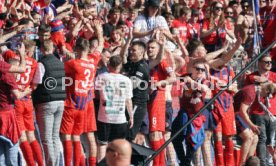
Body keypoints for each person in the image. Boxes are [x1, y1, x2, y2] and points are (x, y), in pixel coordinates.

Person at [32, 39, 66, 166]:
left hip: (46, 102)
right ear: (52, 48)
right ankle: (56, 163)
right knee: (55, 137)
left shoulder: (41, 63)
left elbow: (36, 84)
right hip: (60, 102)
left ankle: (51, 164)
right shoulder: (60, 63)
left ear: (41, 50)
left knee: (46, 139)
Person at [95, 55, 133, 161]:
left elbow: (96, 94)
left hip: (104, 116)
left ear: (108, 65)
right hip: (119, 118)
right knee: (118, 147)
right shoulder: (126, 80)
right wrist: (131, 116)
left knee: (102, 145)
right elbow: (128, 100)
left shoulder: (101, 77)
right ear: (120, 66)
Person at [0, 43, 31, 166]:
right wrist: (27, 91)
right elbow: (17, 95)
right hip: (7, 116)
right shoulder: (7, 75)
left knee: (1, 153)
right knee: (12, 149)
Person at [13, 40, 43, 166]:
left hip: (16, 100)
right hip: (28, 100)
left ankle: (31, 164)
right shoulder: (35, 64)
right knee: (31, 135)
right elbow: (34, 86)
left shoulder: (13, 59)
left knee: (22, 137)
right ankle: (41, 164)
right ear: (29, 51)